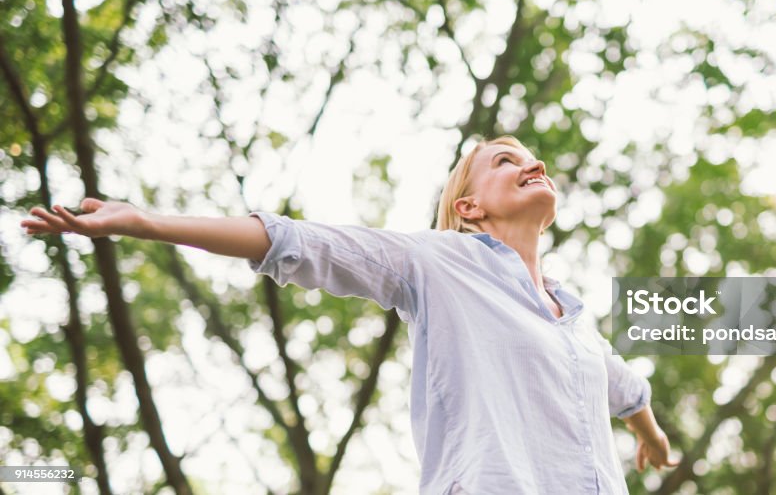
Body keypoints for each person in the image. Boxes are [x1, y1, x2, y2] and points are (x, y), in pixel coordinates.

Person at [21, 136, 678, 494]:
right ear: (470, 207)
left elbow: (622, 387)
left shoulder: (576, 320)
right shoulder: (442, 263)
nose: (531, 162)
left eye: (530, 157)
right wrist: (144, 223)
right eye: (504, 160)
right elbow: (300, 243)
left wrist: (650, 436)